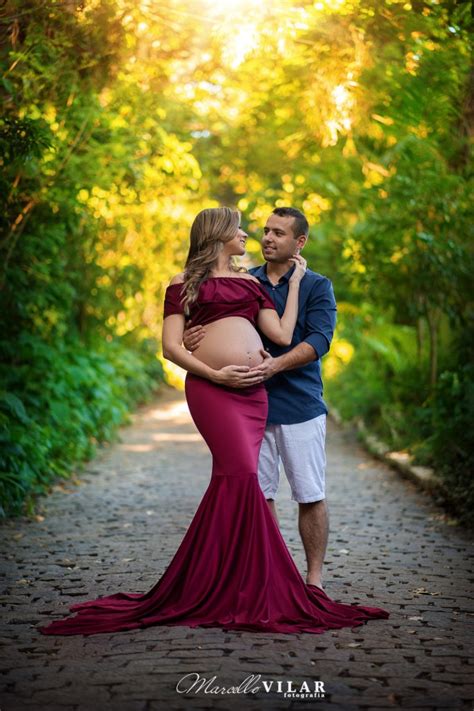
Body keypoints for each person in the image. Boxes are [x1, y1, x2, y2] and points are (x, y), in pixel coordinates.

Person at [37, 207, 388, 636]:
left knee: (300, 490)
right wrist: (198, 346)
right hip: (219, 392)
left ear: (300, 243)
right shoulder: (208, 281)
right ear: (218, 235)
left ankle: (294, 580)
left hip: (288, 401)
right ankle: (250, 579)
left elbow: (296, 337)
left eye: (277, 232)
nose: (259, 236)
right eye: (256, 230)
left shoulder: (302, 285)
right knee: (246, 482)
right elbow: (177, 341)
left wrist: (293, 288)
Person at [183, 207, 334, 590]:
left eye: (279, 233)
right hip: (247, 402)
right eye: (266, 231)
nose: (267, 238)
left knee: (309, 492)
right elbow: (213, 321)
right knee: (259, 493)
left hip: (300, 404)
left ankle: (314, 579)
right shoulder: (243, 279)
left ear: (299, 243)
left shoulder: (317, 285)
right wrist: (189, 340)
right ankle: (271, 573)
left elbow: (319, 340)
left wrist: (276, 366)